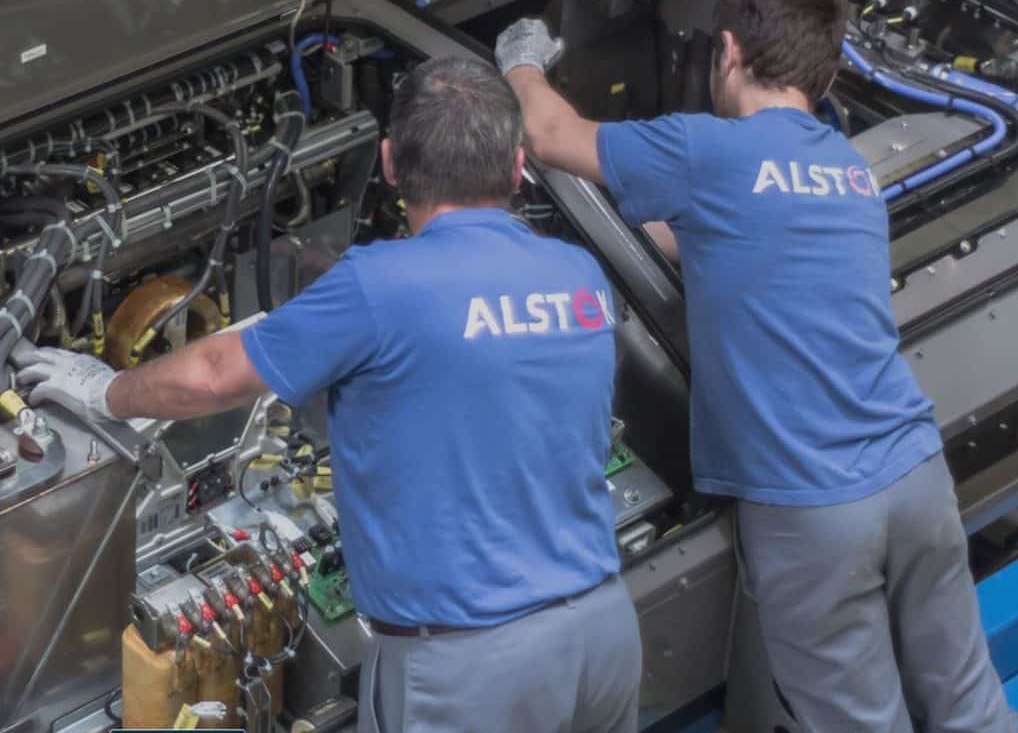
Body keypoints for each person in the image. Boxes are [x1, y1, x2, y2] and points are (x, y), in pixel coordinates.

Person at [18, 56, 642, 733]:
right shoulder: (577, 273)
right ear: (518, 165)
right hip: (602, 631)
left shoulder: (381, 284)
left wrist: (104, 390)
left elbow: (213, 375)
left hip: (471, 669)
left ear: (390, 164)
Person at [495, 0, 1017, 733]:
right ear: (830, 73)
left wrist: (519, 60)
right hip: (915, 476)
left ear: (728, 51)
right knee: (970, 706)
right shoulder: (848, 170)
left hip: (812, 509)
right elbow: (717, 237)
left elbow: (548, 135)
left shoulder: (708, 151)